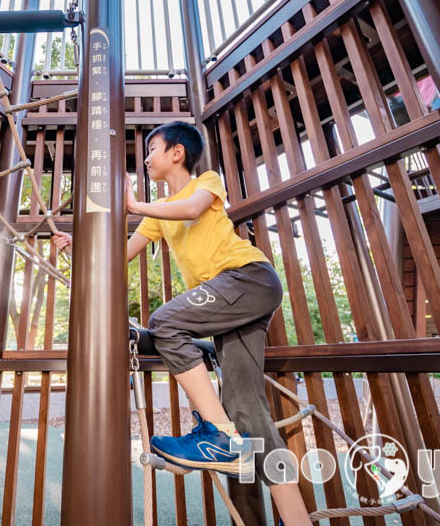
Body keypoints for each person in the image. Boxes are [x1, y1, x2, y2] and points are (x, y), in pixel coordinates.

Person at [53, 121, 311, 525]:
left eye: (153, 148)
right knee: (249, 414)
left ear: (177, 152)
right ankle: (296, 519)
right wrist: (77, 248)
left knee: (167, 321)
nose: (148, 157)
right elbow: (116, 258)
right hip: (233, 303)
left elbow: (191, 209)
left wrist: (135, 205)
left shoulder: (205, 183)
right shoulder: (159, 219)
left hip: (248, 278)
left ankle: (218, 434)